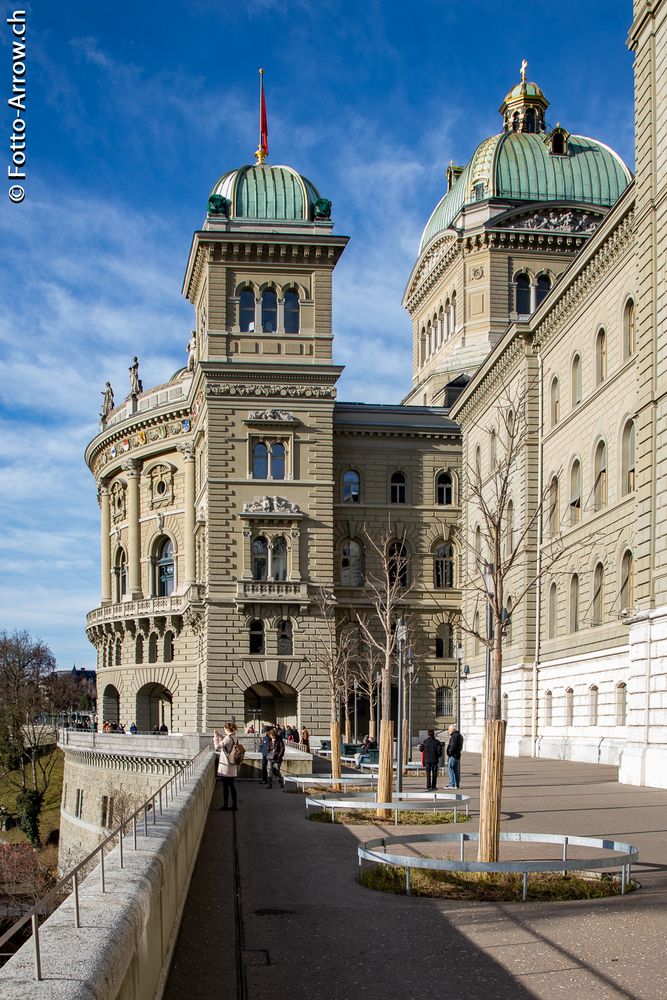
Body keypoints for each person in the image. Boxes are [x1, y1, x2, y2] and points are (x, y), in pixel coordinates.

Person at [214, 723, 238, 810]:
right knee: (232, 786)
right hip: (232, 764)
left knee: (225, 786)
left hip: (226, 765)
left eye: (224, 729)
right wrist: (221, 738)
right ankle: (234, 805)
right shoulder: (234, 737)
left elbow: (217, 747)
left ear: (227, 729)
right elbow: (226, 745)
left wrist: (216, 737)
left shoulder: (228, 738)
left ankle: (225, 805)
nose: (224, 730)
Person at [446, 724, 464, 789]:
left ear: (452, 730)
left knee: (449, 768)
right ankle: (456, 784)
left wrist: (449, 753)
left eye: (449, 729)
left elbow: (452, 746)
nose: (448, 731)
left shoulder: (454, 736)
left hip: (453, 755)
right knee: (456, 770)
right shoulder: (460, 736)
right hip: (457, 755)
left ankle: (452, 784)